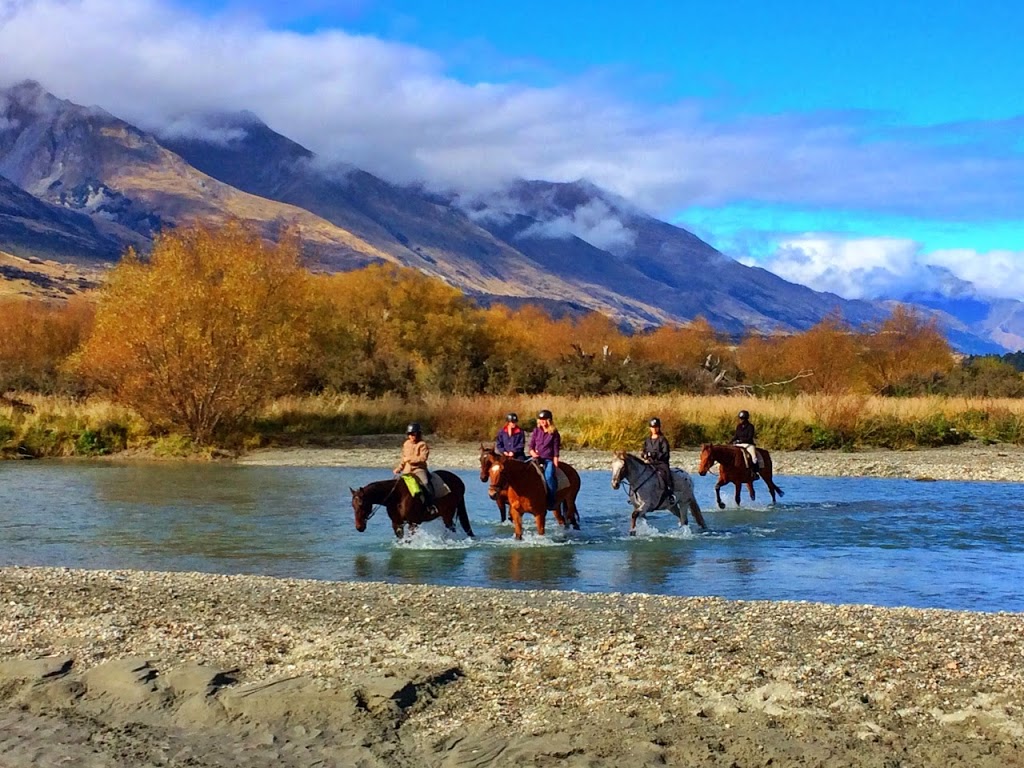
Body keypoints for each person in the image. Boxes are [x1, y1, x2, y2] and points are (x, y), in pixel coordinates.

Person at [394, 422, 435, 510]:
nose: (413, 436)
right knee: (396, 484)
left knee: (426, 483)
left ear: (419, 434)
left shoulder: (423, 445)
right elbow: (403, 458)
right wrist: (399, 468)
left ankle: (430, 504)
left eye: (415, 434)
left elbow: (422, 458)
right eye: (411, 434)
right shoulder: (406, 444)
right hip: (407, 470)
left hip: (419, 469)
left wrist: (409, 459)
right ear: (408, 435)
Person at [528, 409, 560, 507]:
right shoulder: (536, 431)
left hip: (548, 459)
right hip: (536, 458)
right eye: (541, 419)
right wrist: (533, 453)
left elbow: (556, 449)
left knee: (549, 476)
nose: (542, 421)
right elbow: (531, 446)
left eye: (545, 419)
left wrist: (555, 463)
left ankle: (551, 498)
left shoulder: (554, 433)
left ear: (549, 420)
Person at [641, 417, 674, 503]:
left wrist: (654, 455)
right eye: (652, 427)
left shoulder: (662, 440)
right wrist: (644, 455)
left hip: (660, 463)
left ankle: (670, 493)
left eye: (656, 427)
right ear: (650, 428)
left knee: (665, 474)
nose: (654, 429)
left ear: (659, 428)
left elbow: (666, 453)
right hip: (649, 463)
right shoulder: (647, 440)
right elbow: (643, 451)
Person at [731, 409, 760, 479]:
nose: (741, 420)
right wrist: (730, 442)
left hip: (748, 444)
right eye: (740, 419)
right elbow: (736, 436)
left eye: (743, 419)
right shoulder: (738, 426)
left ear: (746, 419)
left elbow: (750, 437)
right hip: (739, 444)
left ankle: (754, 472)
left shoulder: (750, 427)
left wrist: (740, 441)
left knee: (754, 457)